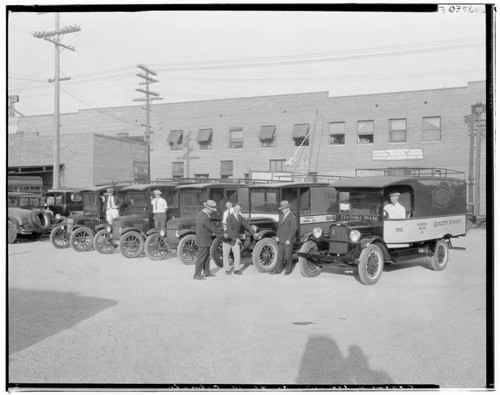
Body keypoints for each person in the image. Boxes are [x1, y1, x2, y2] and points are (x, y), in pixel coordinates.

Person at [194, 200, 227, 280]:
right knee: (201, 258)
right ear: (207, 209)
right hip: (203, 240)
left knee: (206, 257)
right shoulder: (205, 217)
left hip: (203, 239)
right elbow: (212, 228)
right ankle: (197, 274)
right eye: (212, 211)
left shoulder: (201, 214)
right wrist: (222, 234)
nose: (212, 212)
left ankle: (207, 272)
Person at [222, 203, 255, 275]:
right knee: (226, 255)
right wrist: (235, 238)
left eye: (239, 209)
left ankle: (236, 270)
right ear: (233, 208)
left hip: (236, 238)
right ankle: (227, 270)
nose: (238, 210)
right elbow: (229, 230)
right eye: (236, 208)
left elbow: (247, 225)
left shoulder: (240, 217)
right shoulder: (229, 217)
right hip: (228, 238)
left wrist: (254, 233)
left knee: (237, 254)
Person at [270, 200, 297, 276]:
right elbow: (279, 227)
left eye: (284, 209)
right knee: (280, 256)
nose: (283, 210)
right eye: (282, 209)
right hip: (281, 239)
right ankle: (277, 270)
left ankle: (288, 271)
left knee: (288, 256)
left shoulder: (292, 217)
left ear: (288, 208)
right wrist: (277, 236)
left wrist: (289, 239)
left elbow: (293, 229)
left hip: (288, 240)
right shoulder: (282, 216)